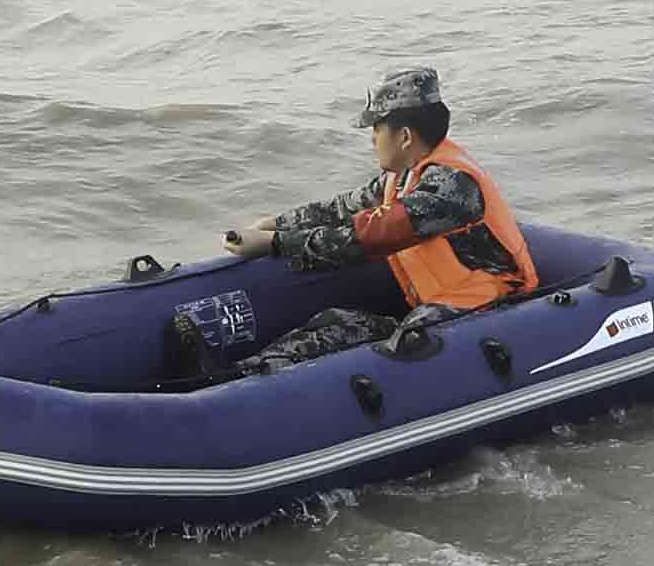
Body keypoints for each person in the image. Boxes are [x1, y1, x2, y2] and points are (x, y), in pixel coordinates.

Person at [211, 66, 541, 374]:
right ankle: (230, 376)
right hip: (441, 304)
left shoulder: (451, 186)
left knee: (411, 340)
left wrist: (278, 244)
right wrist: (276, 224)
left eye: (377, 128)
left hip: (492, 307)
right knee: (336, 324)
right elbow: (341, 209)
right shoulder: (402, 176)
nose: (372, 138)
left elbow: (371, 235)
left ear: (405, 136)